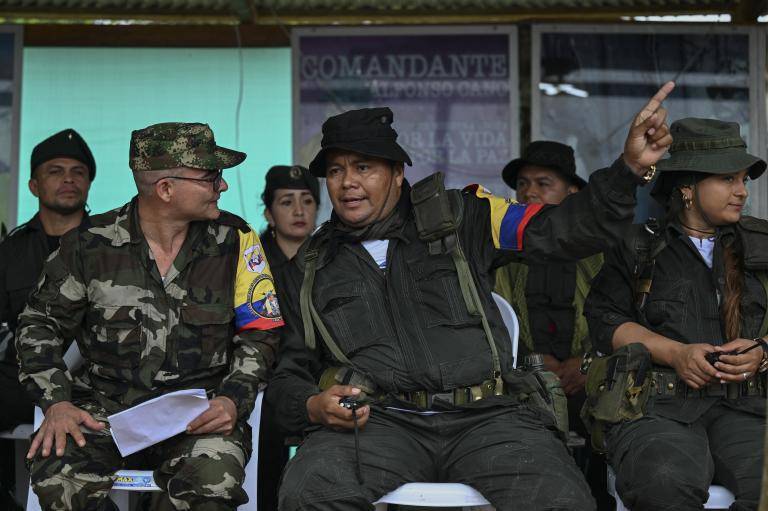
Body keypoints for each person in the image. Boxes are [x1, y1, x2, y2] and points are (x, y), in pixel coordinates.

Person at [268, 81, 674, 511]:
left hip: (490, 418)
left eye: (364, 167)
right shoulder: (312, 266)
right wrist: (312, 405)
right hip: (379, 424)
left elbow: (563, 230)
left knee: (562, 500)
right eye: (335, 170)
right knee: (307, 493)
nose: (348, 182)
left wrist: (628, 169)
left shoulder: (465, 217)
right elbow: (288, 372)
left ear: (397, 173)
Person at [16, 122, 282, 511]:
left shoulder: (236, 240)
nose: (221, 186)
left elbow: (261, 331)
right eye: (211, 177)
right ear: (166, 189)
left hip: (199, 415)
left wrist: (231, 399)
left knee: (214, 486)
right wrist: (56, 402)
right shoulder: (90, 244)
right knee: (58, 476)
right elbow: (39, 324)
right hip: (104, 413)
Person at [584, 118, 768, 511]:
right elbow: (605, 321)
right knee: (663, 483)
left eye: (743, 180)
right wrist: (674, 354)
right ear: (687, 188)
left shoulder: (761, 244)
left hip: (747, 409)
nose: (742, 192)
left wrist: (763, 350)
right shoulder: (637, 247)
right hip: (659, 409)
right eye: (728, 179)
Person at [494, 140, 609, 507]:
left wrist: (586, 365)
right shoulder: (502, 253)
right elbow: (493, 319)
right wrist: (533, 363)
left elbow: (617, 317)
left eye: (543, 183)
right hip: (524, 382)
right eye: (523, 184)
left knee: (612, 423)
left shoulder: (599, 252)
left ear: (572, 192)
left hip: (592, 379)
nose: (529, 193)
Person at [0, 129, 95, 432]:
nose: (69, 179)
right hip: (22, 385)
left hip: (94, 386)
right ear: (33, 185)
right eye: (56, 171)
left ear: (89, 183)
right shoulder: (10, 252)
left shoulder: (113, 247)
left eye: (78, 172)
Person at [257, 164, 319, 511]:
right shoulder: (251, 262)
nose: (299, 211)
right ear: (268, 212)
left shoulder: (333, 259)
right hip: (268, 380)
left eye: (308, 201)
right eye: (286, 202)